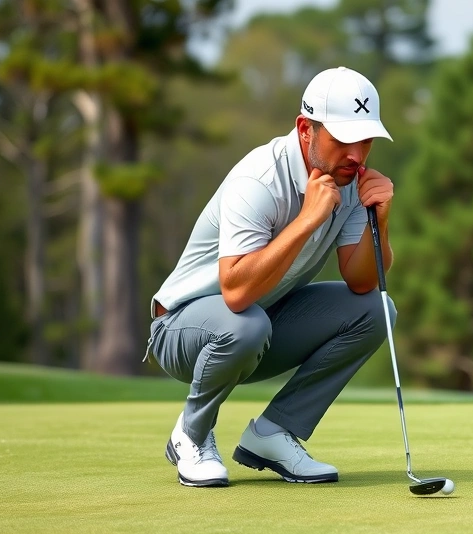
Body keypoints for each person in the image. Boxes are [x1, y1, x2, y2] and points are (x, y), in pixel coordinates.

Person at [143, 66, 397, 488]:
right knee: (246, 323)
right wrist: (307, 221)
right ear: (305, 129)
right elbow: (237, 290)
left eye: (366, 140)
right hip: (180, 331)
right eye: (344, 140)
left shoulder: (350, 181)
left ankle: (273, 433)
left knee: (378, 310)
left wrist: (380, 222)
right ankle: (191, 434)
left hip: (256, 325)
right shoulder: (259, 179)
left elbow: (362, 283)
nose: (358, 154)